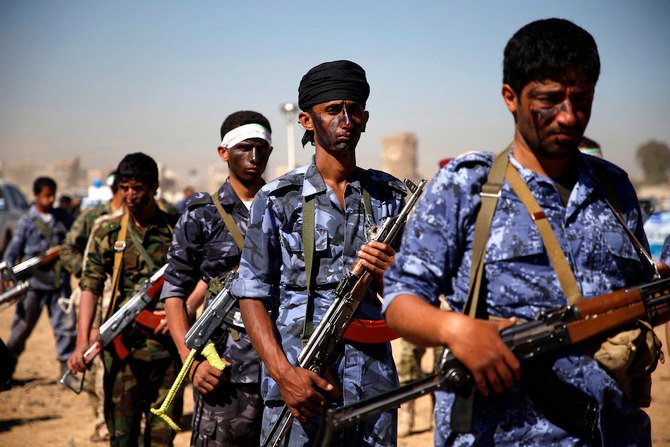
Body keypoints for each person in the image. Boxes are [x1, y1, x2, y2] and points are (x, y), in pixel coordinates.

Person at [383, 18, 656, 446]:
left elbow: (640, 296)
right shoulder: (467, 186)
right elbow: (400, 301)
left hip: (611, 431)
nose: (569, 116)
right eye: (549, 100)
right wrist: (455, 330)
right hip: (498, 434)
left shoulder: (614, 187)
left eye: (581, 99)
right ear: (510, 97)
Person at [231, 60, 405, 446]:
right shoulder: (279, 199)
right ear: (307, 121)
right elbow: (251, 294)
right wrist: (283, 374)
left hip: (372, 389)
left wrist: (390, 274)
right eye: (332, 110)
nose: (346, 120)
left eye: (354, 110)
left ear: (365, 117)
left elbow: (417, 297)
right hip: (302, 387)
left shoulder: (391, 197)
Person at [162, 110, 273, 446]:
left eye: (262, 149)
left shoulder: (285, 208)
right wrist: (191, 363)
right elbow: (174, 291)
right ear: (224, 153)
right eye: (244, 148)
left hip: (281, 369)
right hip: (225, 373)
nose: (254, 158)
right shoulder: (202, 214)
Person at [67, 153, 182, 446]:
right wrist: (82, 341)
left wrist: (180, 314)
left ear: (154, 187)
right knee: (122, 437)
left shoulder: (177, 229)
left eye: (138, 188)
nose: (130, 195)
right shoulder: (107, 231)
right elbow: (90, 286)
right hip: (123, 353)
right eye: (124, 187)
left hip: (166, 352)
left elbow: (197, 279)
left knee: (160, 438)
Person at [60, 170, 124, 443]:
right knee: (92, 358)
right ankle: (102, 420)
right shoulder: (94, 218)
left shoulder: (144, 218)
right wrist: (85, 272)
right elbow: (67, 249)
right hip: (93, 297)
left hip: (120, 301)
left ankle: (113, 418)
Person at [3, 176, 75, 381]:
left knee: (66, 328)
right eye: (46, 196)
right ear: (36, 196)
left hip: (58, 283)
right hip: (33, 285)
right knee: (21, 328)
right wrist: (8, 275)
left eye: (53, 195)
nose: (51, 200)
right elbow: (12, 251)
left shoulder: (62, 217)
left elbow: (74, 239)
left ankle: (66, 371)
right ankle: (6, 370)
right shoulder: (27, 221)